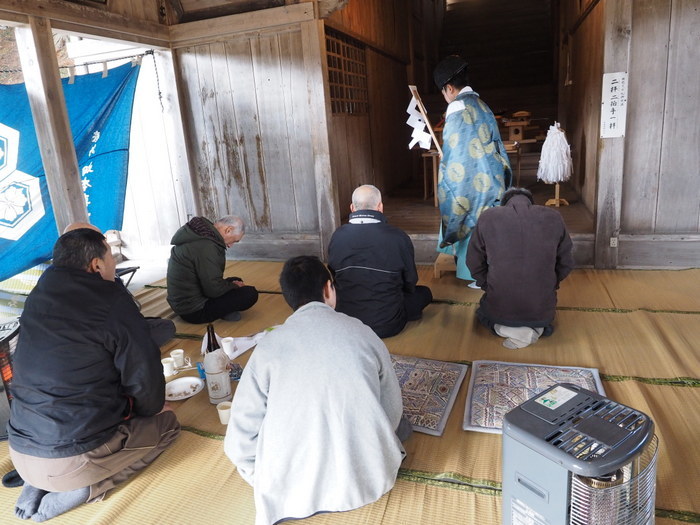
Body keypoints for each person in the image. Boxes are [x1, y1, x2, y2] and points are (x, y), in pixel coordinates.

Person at [7, 228, 180, 522]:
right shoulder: (109, 299)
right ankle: (86, 488)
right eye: (110, 256)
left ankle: (37, 483)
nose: (113, 262)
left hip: (21, 448)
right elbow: (143, 371)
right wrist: (150, 409)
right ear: (96, 264)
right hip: (73, 456)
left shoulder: (39, 293)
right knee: (168, 425)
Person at [224, 255, 409, 525]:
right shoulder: (363, 332)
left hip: (291, 488)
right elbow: (391, 411)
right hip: (366, 481)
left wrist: (260, 470)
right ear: (328, 289)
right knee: (402, 427)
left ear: (289, 298)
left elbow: (241, 432)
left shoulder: (269, 345)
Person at [433, 55, 512, 286]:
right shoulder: (482, 104)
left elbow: (458, 155)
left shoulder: (457, 106)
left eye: (443, 92)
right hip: (492, 177)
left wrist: (446, 159)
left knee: (459, 206)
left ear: (449, 88)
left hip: (473, 182)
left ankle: (476, 274)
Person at [467, 188, 574, 349]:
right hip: (541, 306)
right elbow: (566, 262)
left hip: (501, 301)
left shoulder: (488, 217)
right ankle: (536, 327)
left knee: (482, 313)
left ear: (504, 203)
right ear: (532, 202)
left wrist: (487, 285)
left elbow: (474, 262)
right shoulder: (553, 217)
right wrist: (550, 283)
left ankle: (512, 330)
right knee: (541, 311)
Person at [328, 185, 432, 338]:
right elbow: (410, 281)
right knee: (424, 293)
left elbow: (333, 274)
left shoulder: (338, 236)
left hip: (347, 322)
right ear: (380, 207)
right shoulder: (397, 237)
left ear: (352, 208)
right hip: (387, 325)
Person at [63, 221, 175, 347]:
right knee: (164, 328)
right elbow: (123, 321)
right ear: (96, 264)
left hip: (87, 342)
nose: (113, 261)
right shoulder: (96, 285)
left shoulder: (53, 280)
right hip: (98, 343)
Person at [166, 215, 258, 323]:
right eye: (234, 241)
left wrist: (233, 285)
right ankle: (224, 311)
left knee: (236, 279)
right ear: (228, 230)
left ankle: (225, 309)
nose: (230, 246)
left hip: (183, 301)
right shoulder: (207, 246)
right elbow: (213, 290)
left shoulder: (200, 234)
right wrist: (234, 286)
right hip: (193, 311)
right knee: (249, 293)